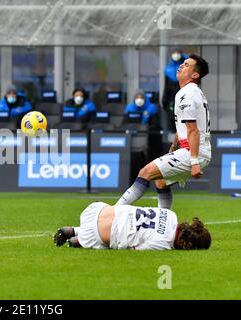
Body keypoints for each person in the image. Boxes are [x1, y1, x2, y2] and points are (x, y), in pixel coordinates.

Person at [115, 54, 210, 210]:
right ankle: (165, 224)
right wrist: (173, 147)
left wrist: (194, 162)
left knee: (145, 172)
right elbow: (185, 127)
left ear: (195, 75)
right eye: (182, 63)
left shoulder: (186, 94)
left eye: (186, 65)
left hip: (193, 151)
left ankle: (112, 214)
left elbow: (193, 130)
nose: (181, 65)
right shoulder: (193, 92)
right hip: (196, 150)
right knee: (161, 181)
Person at [54, 201, 211, 250]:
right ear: (189, 245)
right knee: (115, 244)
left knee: (124, 221)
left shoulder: (171, 215)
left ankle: (73, 230)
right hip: (95, 234)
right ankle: (78, 240)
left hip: (97, 209)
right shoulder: (164, 243)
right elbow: (135, 250)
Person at [162, 48, 188, 131]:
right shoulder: (168, 69)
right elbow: (166, 86)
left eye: (177, 52)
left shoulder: (187, 67)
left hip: (185, 97)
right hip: (172, 98)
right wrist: (164, 100)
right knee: (172, 118)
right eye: (174, 53)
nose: (176, 55)